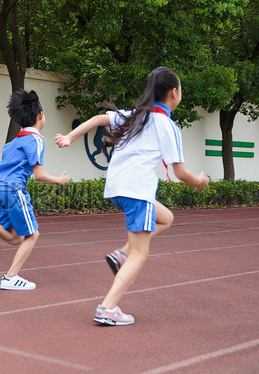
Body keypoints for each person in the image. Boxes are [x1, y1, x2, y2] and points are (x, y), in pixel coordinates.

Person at [55, 67, 209, 325]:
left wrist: (70, 137)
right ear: (174, 93)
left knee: (166, 218)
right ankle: (108, 307)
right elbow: (180, 172)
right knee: (141, 254)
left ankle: (121, 255)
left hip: (116, 187)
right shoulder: (166, 125)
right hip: (137, 189)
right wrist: (199, 181)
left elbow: (97, 119)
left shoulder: (136, 115)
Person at [0, 89, 69, 290]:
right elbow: (39, 175)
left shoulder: (12, 143)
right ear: (40, 116)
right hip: (14, 190)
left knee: (14, 238)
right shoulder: (36, 140)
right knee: (32, 235)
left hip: (0, 190)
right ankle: (11, 277)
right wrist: (59, 180)